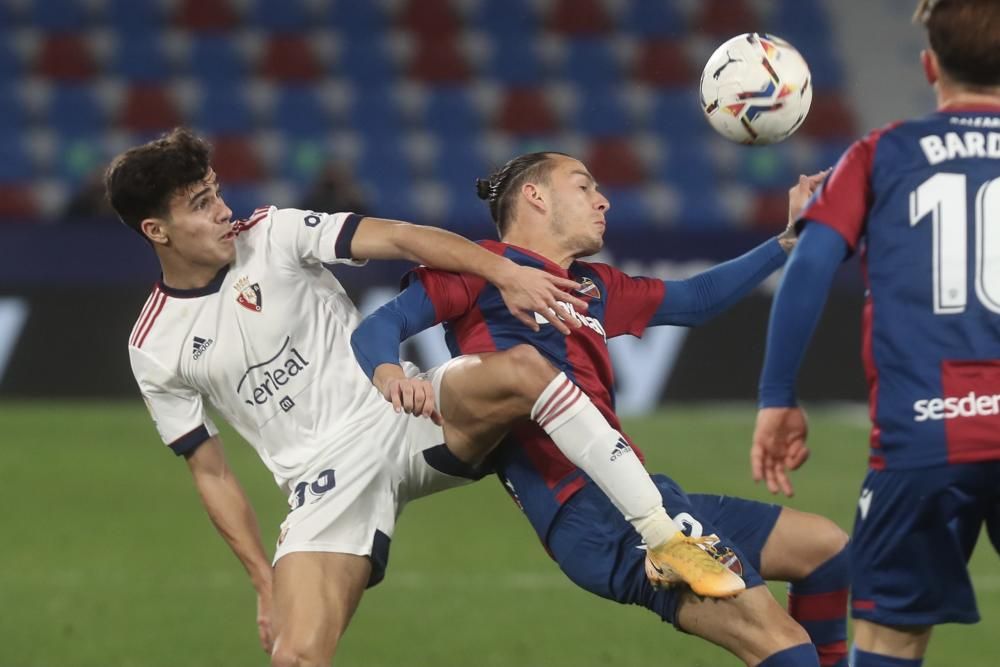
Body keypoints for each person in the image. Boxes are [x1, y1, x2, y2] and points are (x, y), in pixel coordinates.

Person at [108, 128, 735, 667]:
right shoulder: (154, 345)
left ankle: (662, 535)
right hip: (323, 482)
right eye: (200, 204)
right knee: (296, 655)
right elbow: (210, 471)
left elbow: (404, 239)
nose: (223, 211)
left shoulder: (274, 233)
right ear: (156, 230)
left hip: (403, 413)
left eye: (217, 190)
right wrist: (261, 580)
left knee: (520, 368)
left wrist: (504, 271)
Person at [351, 151, 852, 667]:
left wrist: (789, 240)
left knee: (826, 550)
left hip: (639, 491)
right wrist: (389, 371)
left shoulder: (595, 286)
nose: (603, 199)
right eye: (584, 186)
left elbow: (696, 299)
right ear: (536, 196)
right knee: (782, 646)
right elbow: (381, 325)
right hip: (589, 511)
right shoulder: (481, 271)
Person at [751, 2, 1000, 666]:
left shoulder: (883, 152)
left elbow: (808, 267)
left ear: (929, 66)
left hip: (923, 436)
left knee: (891, 639)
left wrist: (777, 395)